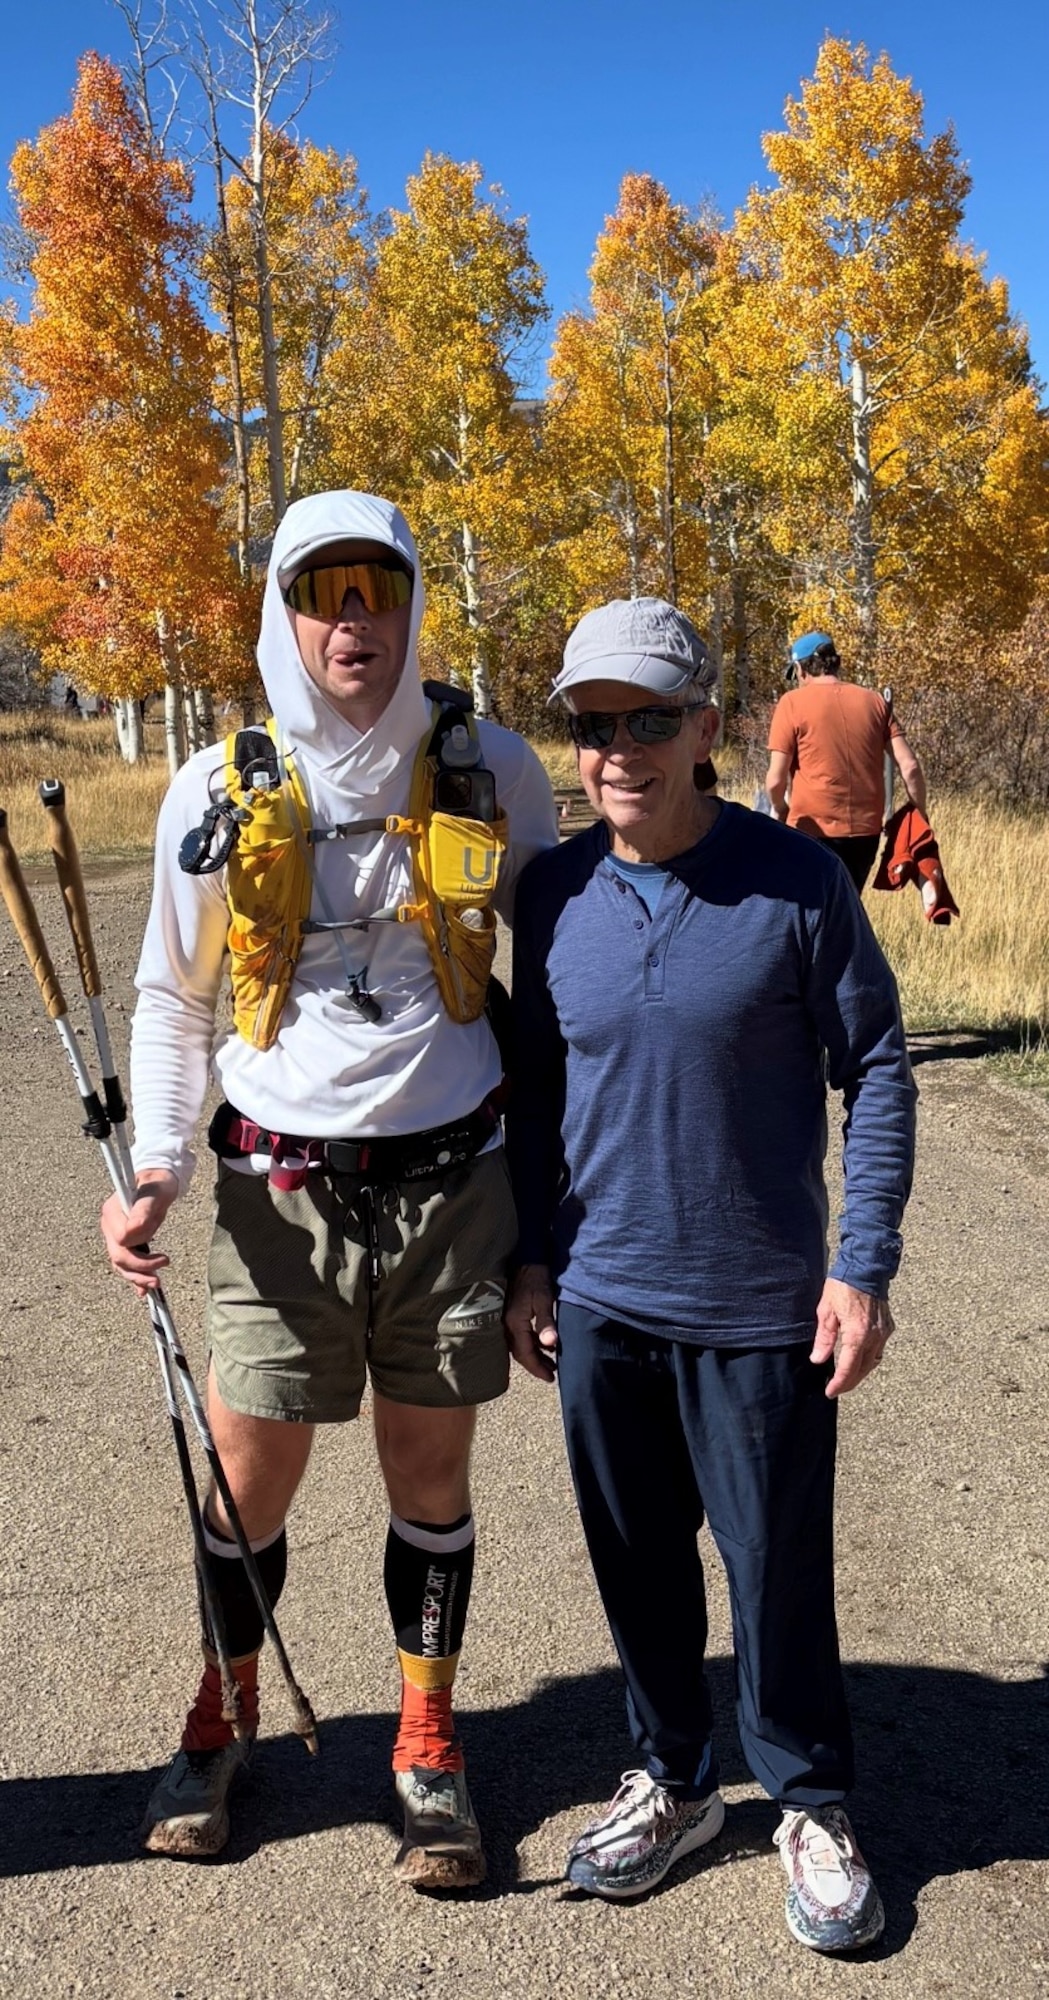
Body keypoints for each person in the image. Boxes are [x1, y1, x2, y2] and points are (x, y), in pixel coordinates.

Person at [101, 488, 558, 1885]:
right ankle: (222, 1711)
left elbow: (561, 985)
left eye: (378, 587)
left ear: (414, 602)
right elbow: (175, 998)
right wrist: (159, 1163)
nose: (352, 619)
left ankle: (427, 1738)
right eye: (320, 589)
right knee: (247, 1480)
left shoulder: (495, 769)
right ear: (282, 612)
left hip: (451, 1185)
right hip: (278, 1195)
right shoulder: (212, 788)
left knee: (429, 1471)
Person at [504, 596, 915, 1951]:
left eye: (648, 719)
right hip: (600, 1297)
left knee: (774, 1569)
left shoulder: (795, 883)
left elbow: (879, 1067)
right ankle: (673, 1778)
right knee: (634, 1565)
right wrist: (529, 1258)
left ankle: (807, 1797)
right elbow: (533, 1089)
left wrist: (860, 1264)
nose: (616, 749)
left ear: (706, 728)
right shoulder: (550, 894)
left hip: (757, 1306)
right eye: (591, 724)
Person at [765, 630, 927, 893]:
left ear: (801, 669)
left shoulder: (791, 703)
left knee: (810, 907)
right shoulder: (875, 701)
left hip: (810, 830)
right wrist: (919, 814)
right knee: (846, 906)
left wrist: (780, 809)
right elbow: (910, 767)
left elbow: (775, 781)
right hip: (865, 834)